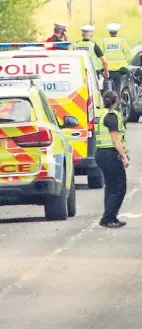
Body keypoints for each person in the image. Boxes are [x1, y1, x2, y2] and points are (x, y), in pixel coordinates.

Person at [95, 90, 129, 228]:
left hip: (101, 153)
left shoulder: (101, 114)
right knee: (119, 187)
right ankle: (108, 218)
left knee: (111, 187)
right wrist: (125, 157)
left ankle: (111, 217)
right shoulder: (111, 116)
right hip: (109, 154)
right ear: (116, 101)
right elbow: (115, 139)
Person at [100, 23, 132, 94]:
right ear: (117, 32)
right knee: (117, 90)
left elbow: (100, 56)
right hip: (119, 71)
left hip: (107, 70)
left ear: (109, 32)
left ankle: (108, 103)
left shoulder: (103, 41)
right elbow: (129, 55)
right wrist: (126, 66)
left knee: (107, 90)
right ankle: (117, 104)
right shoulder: (122, 41)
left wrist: (101, 69)